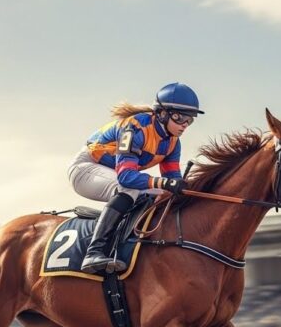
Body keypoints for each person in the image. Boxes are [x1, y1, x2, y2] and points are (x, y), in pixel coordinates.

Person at [68, 82, 203, 273]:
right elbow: (126, 177)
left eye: (190, 120)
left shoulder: (173, 143)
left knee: (161, 196)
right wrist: (164, 183)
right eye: (180, 118)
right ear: (162, 113)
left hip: (113, 172)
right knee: (129, 189)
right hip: (86, 167)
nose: (184, 125)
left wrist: (180, 189)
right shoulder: (134, 128)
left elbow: (170, 182)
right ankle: (94, 252)